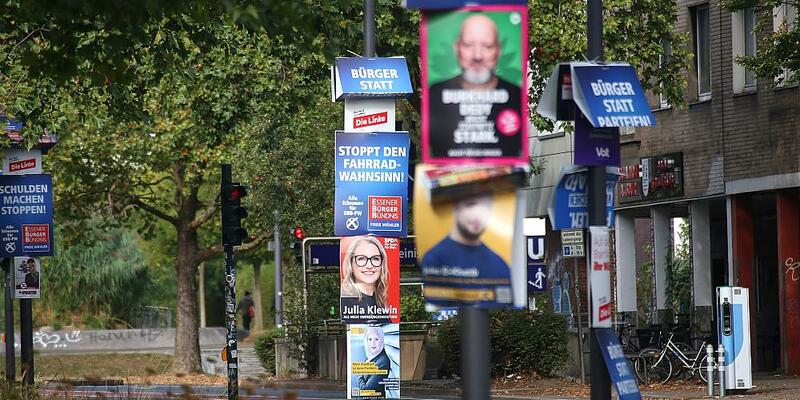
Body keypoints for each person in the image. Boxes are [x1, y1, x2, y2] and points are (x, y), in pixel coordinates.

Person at [428, 13, 523, 158]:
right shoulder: (435, 95)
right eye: (468, 45)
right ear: (457, 48)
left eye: (487, 46)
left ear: (498, 50)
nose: (477, 56)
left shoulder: (516, 96)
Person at [420, 192, 511, 301]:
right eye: (470, 205)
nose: (478, 216)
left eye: (485, 208)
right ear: (455, 207)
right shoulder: (433, 259)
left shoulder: (501, 265)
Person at [340, 236, 391, 323]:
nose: (369, 266)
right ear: (351, 264)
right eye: (361, 259)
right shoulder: (346, 299)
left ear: (382, 264)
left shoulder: (379, 299)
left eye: (375, 259)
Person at [358, 326, 391, 397]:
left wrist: (360, 375)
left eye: (376, 339)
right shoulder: (371, 356)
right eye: (370, 339)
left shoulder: (382, 362)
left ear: (382, 340)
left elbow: (366, 390)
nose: (372, 343)